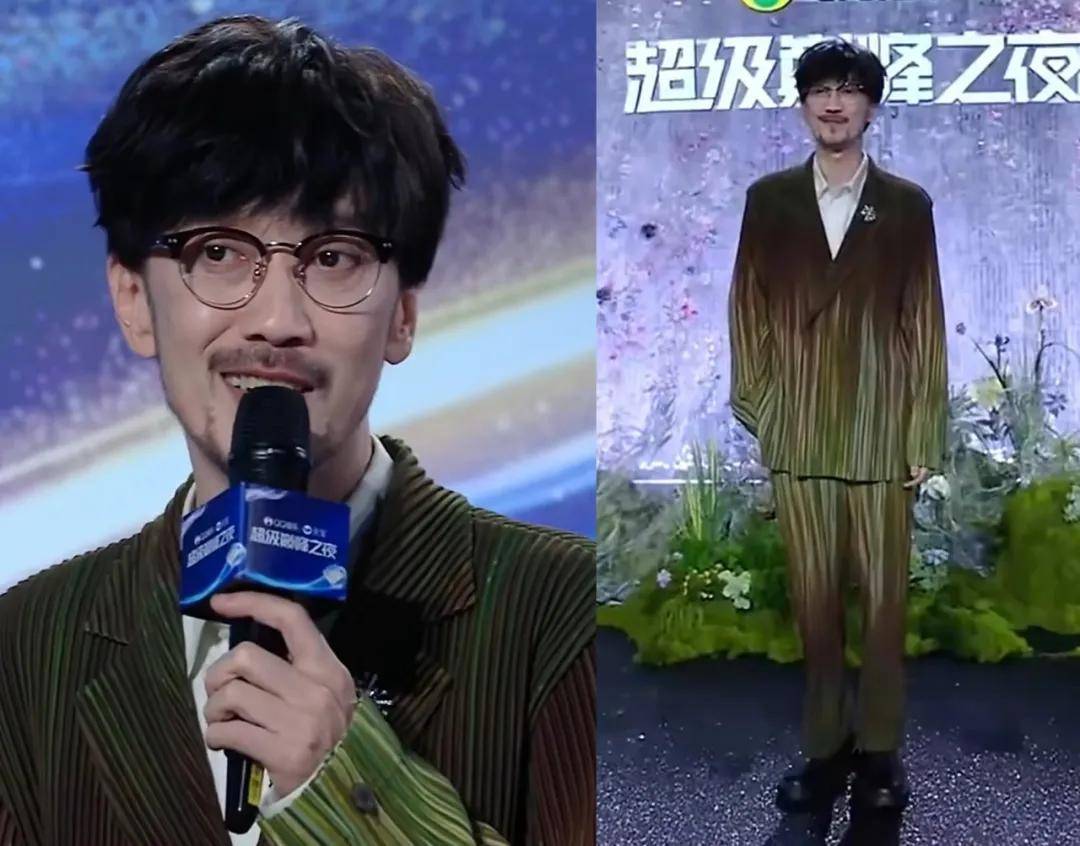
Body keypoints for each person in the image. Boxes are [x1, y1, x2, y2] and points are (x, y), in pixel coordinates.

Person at [0, 16, 594, 846]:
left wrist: (350, 787)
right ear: (133, 300)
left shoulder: (566, 613)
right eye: (218, 253)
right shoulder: (27, 647)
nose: (278, 319)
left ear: (403, 314)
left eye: (334, 258)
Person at [728, 39, 948, 815]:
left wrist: (924, 431)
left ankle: (880, 751)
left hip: (880, 432)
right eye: (820, 89)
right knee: (815, 607)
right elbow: (746, 309)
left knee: (885, 605)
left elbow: (925, 320)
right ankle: (825, 748)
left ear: (870, 106)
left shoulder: (907, 205)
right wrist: (765, 408)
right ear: (802, 104)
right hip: (801, 434)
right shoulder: (770, 200)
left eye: (849, 90)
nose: (833, 103)